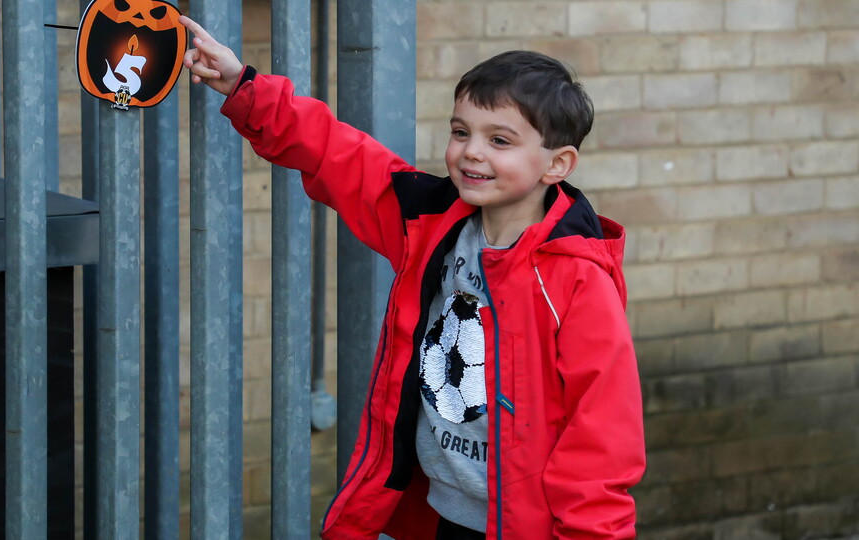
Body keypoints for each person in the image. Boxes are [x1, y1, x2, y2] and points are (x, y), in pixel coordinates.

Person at [180, 14, 645, 540]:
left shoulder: (577, 279)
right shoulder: (428, 223)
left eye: (500, 141)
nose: (472, 151)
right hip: (445, 515)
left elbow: (602, 439)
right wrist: (244, 85)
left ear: (557, 164)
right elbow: (340, 156)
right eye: (461, 131)